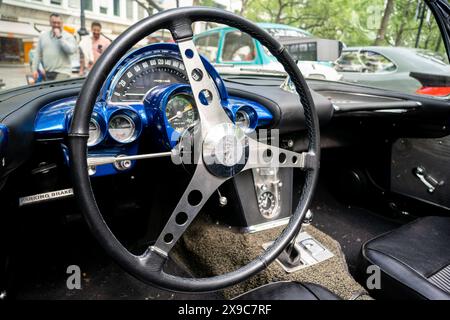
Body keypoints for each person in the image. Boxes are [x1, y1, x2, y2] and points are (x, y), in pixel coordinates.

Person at [32, 13, 77, 81]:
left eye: (58, 23)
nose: (56, 25)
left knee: (56, 89)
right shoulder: (43, 36)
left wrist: (59, 37)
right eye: (54, 23)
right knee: (50, 91)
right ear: (50, 23)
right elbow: (37, 53)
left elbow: (71, 51)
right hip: (48, 72)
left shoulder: (69, 36)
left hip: (63, 72)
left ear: (62, 23)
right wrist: (34, 69)